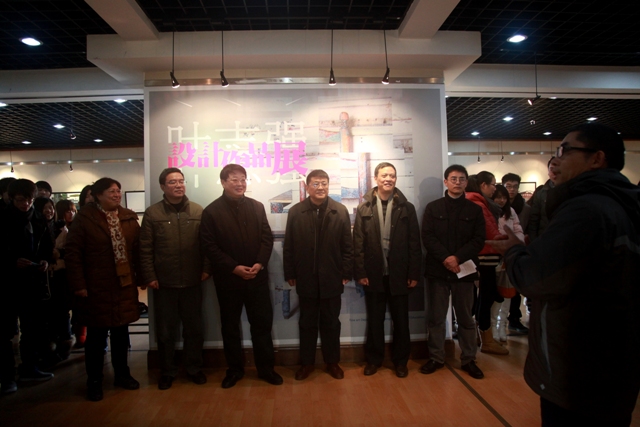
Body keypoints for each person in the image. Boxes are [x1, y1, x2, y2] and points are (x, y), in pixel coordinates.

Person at [487, 123, 640, 426]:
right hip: (612, 360)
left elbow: (536, 278)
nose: (556, 160)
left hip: (580, 365)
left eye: (565, 150)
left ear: (597, 158)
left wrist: (514, 250)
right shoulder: (622, 205)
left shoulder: (588, 210)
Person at [200, 164, 282, 389]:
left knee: (262, 326)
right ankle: (235, 370)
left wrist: (259, 263)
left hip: (257, 278)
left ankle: (266, 369)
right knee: (230, 327)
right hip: (229, 280)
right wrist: (234, 267)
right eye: (234, 179)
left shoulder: (256, 207)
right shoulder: (211, 211)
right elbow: (209, 246)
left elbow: (266, 238)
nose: (240, 183)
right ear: (223, 182)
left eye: (243, 179)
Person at [65, 177, 142, 402]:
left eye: (118, 191)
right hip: (95, 286)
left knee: (121, 334)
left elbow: (138, 250)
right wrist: (79, 285)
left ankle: (122, 374)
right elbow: (73, 254)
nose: (117, 195)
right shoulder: (84, 219)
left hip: (123, 284)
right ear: (98, 195)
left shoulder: (128, 217)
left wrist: (143, 277)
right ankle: (94, 381)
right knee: (96, 338)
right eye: (111, 191)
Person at [140, 168, 211, 390]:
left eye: (181, 181)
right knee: (165, 331)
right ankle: (167, 371)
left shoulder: (198, 210)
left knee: (194, 329)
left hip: (193, 280)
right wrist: (150, 275)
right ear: (163, 186)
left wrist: (206, 268)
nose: (179, 185)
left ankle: (193, 368)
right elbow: (145, 248)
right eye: (173, 182)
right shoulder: (153, 213)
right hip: (164, 283)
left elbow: (207, 245)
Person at [283, 169, 353, 381]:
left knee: (331, 322)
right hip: (306, 276)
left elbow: (347, 246)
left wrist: (346, 271)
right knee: (307, 323)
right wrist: (290, 272)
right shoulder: (296, 212)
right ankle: (307, 363)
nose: (320, 187)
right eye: (315, 184)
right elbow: (289, 246)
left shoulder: (339, 211)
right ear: (307, 187)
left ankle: (332, 362)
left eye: (324, 183)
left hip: (332, 276)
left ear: (328, 186)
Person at [353, 162, 421, 378]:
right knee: (375, 321)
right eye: (384, 175)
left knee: (401, 321)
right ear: (376, 178)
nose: (388, 179)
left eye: (392, 175)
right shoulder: (364, 208)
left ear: (395, 179)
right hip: (373, 274)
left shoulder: (406, 207)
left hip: (400, 273)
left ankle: (401, 362)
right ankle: (374, 360)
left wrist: (413, 274)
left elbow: (414, 243)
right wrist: (361, 272)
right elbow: (358, 244)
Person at [421, 165, 486, 379]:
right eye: (453, 179)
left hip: (464, 270)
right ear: (446, 182)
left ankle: (469, 359)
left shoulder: (475, 210)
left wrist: (457, 258)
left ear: (466, 182)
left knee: (466, 318)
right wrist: (446, 258)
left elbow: (478, 239)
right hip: (437, 270)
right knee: (436, 317)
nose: (457, 182)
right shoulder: (433, 207)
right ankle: (436, 357)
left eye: (461, 179)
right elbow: (427, 236)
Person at [0, 179, 54, 394]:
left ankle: (29, 368)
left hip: (32, 282)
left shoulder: (38, 218)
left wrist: (44, 261)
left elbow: (47, 246)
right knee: (5, 332)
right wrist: (12, 261)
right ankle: (6, 377)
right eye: (21, 200)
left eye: (30, 200)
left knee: (31, 328)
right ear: (11, 198)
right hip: (7, 283)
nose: (26, 204)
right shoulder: (3, 218)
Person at [465, 172, 508, 355]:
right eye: (493, 184)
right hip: (485, 255)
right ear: (483, 185)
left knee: (477, 298)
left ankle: (478, 335)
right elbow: (490, 232)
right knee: (486, 297)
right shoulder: (478, 203)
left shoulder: (471, 201)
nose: (494, 189)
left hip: (477, 255)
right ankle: (487, 339)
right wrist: (506, 242)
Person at [490, 185, 524, 343]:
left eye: (504, 197)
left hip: (509, 257)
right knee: (494, 295)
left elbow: (518, 230)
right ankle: (492, 328)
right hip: (494, 256)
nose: (501, 200)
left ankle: (502, 326)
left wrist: (516, 243)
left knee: (508, 293)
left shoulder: (511, 212)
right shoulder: (489, 211)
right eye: (498, 197)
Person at [500, 173, 531, 335]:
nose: (512, 190)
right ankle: (498, 324)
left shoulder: (525, 208)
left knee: (516, 287)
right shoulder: (497, 205)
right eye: (508, 186)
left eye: (515, 186)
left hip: (519, 249)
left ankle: (514, 319)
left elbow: (527, 227)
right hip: (501, 249)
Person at [526, 157, 560, 241]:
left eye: (558, 169)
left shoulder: (570, 190)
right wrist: (534, 241)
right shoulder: (541, 193)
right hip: (544, 237)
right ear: (548, 172)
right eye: (551, 169)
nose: (555, 172)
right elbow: (534, 219)